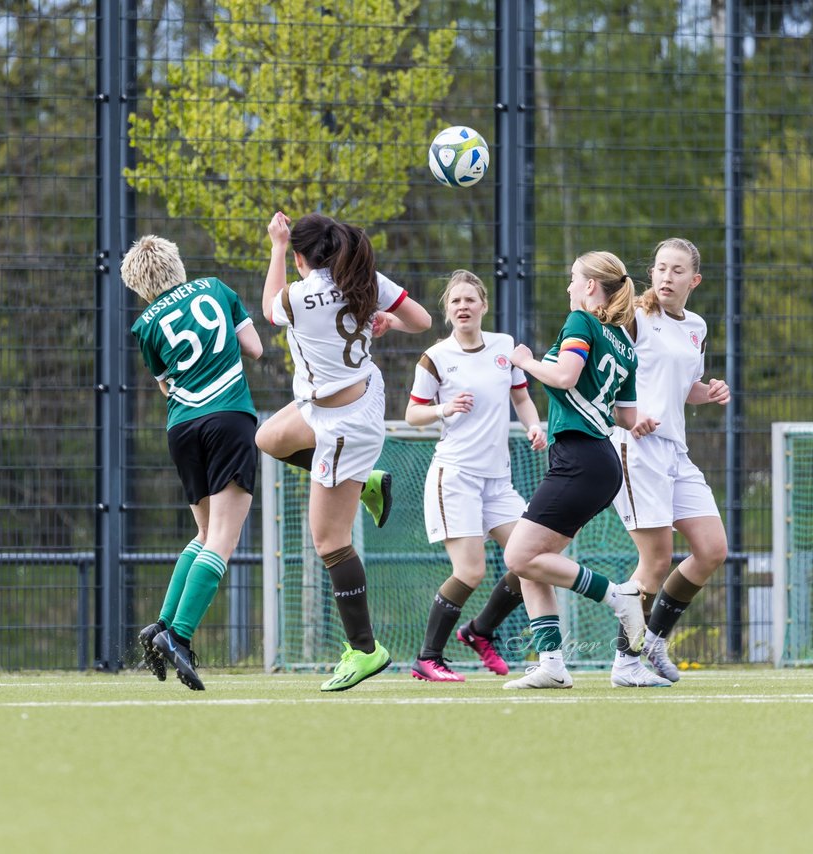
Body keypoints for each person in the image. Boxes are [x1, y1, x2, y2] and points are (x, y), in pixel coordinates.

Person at [256, 210, 432, 691]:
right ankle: (366, 482)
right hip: (355, 397)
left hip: (341, 426)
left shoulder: (298, 294)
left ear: (300, 257)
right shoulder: (363, 277)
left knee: (329, 542)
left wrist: (274, 246)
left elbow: (271, 306)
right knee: (268, 438)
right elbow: (423, 320)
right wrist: (389, 320)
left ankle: (365, 649)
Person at [499, 251, 656, 690]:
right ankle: (551, 663)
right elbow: (627, 416)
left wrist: (526, 361)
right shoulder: (625, 343)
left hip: (581, 458)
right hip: (596, 460)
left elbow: (565, 376)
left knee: (518, 556)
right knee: (534, 564)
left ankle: (617, 596)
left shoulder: (582, 323)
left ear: (591, 286)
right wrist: (640, 419)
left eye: (573, 278)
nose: (569, 286)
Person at [123, 235, 264, 691]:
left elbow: (166, 386)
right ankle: (179, 637)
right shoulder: (217, 289)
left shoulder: (144, 324)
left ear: (140, 284)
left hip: (181, 428)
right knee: (223, 538)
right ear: (176, 263)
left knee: (204, 534)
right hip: (229, 417)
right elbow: (255, 348)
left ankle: (161, 624)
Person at [403, 270, 547, 682]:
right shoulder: (436, 357)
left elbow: (521, 396)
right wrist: (443, 410)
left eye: (470, 299)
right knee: (470, 572)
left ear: (483, 305)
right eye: (455, 302)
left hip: (497, 482)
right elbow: (413, 414)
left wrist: (534, 425)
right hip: (456, 478)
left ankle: (480, 631)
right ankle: (428, 658)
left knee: (532, 560)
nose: (463, 306)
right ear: (447, 312)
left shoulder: (503, 347)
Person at [608, 238, 730, 687]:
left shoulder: (695, 325)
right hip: (635, 448)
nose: (666, 277)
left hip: (676, 451)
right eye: (660, 268)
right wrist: (629, 415)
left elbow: (686, 387)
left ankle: (654, 638)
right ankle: (625, 663)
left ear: (694, 280)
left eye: (677, 271)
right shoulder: (635, 318)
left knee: (712, 549)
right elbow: (605, 373)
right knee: (655, 560)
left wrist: (709, 391)